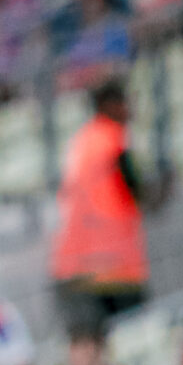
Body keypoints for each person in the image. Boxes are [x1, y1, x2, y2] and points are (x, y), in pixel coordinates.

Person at [50, 78, 162, 333]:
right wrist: (164, 188)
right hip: (114, 268)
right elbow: (141, 193)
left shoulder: (81, 141)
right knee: (128, 345)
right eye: (125, 103)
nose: (130, 110)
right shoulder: (114, 140)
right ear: (108, 105)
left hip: (73, 266)